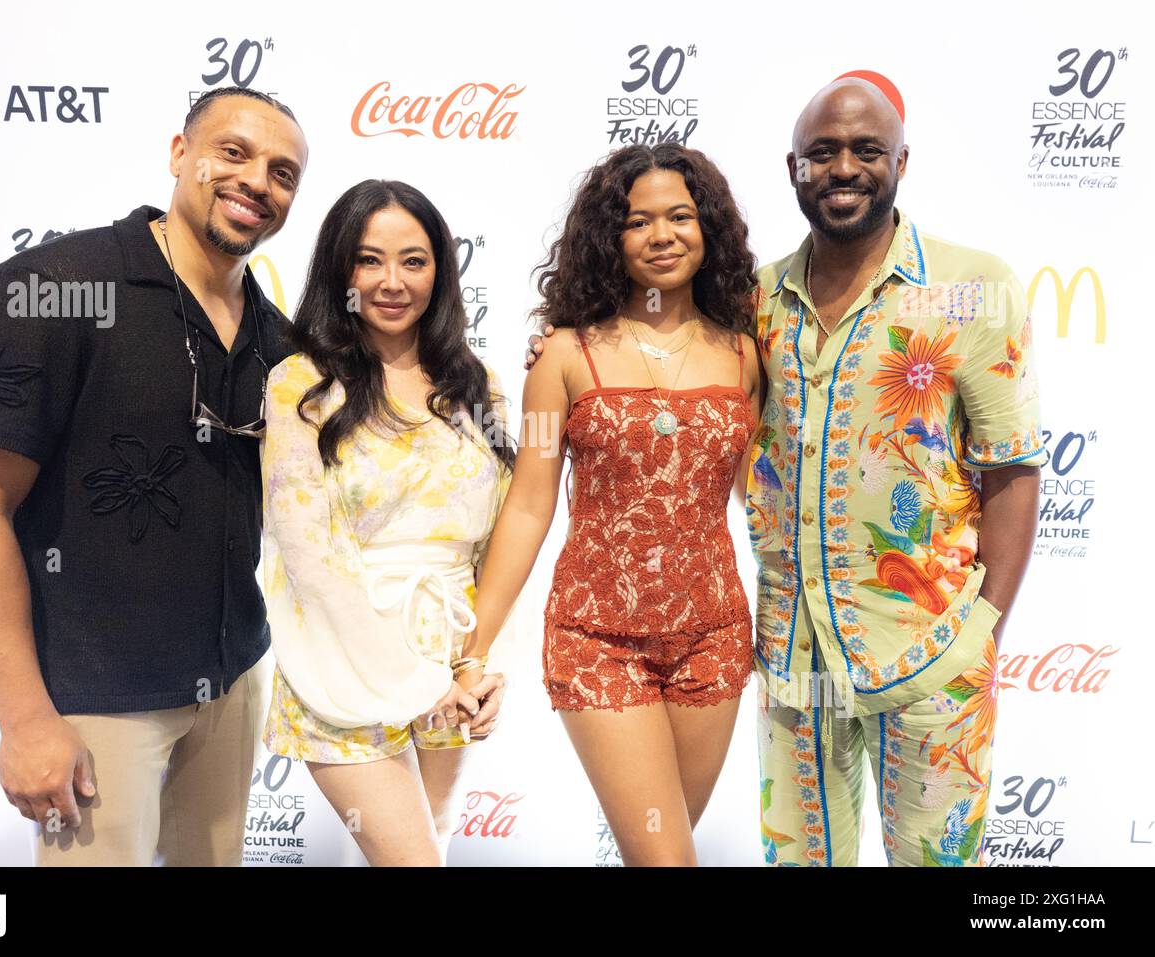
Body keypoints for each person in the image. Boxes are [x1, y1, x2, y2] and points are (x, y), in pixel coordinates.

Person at [530, 76, 1044, 867]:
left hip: (929, 657)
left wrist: (979, 634)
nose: (844, 168)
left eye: (866, 151)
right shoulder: (755, 303)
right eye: (822, 154)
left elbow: (1013, 469)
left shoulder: (973, 291)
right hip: (793, 663)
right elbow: (660, 350)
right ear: (793, 169)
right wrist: (563, 342)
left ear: (902, 159)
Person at [0, 87, 308, 866]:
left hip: (232, 678)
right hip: (95, 698)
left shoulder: (279, 337)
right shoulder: (56, 284)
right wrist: (25, 716)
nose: (257, 181)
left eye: (283, 171)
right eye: (233, 153)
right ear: (179, 153)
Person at [474, 143, 761, 866]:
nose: (662, 235)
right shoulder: (563, 357)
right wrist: (473, 646)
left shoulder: (744, 354)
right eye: (639, 221)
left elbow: (761, 503)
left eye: (681, 217)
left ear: (709, 229)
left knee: (656, 854)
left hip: (715, 638)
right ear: (611, 237)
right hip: (598, 641)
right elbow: (530, 506)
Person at [261, 179, 515, 867]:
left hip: (451, 660)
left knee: (431, 845)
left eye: (414, 259)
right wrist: (419, 680)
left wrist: (482, 664)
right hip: (340, 659)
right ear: (340, 270)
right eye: (369, 260)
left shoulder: (477, 384)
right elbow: (309, 552)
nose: (392, 281)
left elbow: (500, 541)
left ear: (441, 267)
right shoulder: (298, 382)